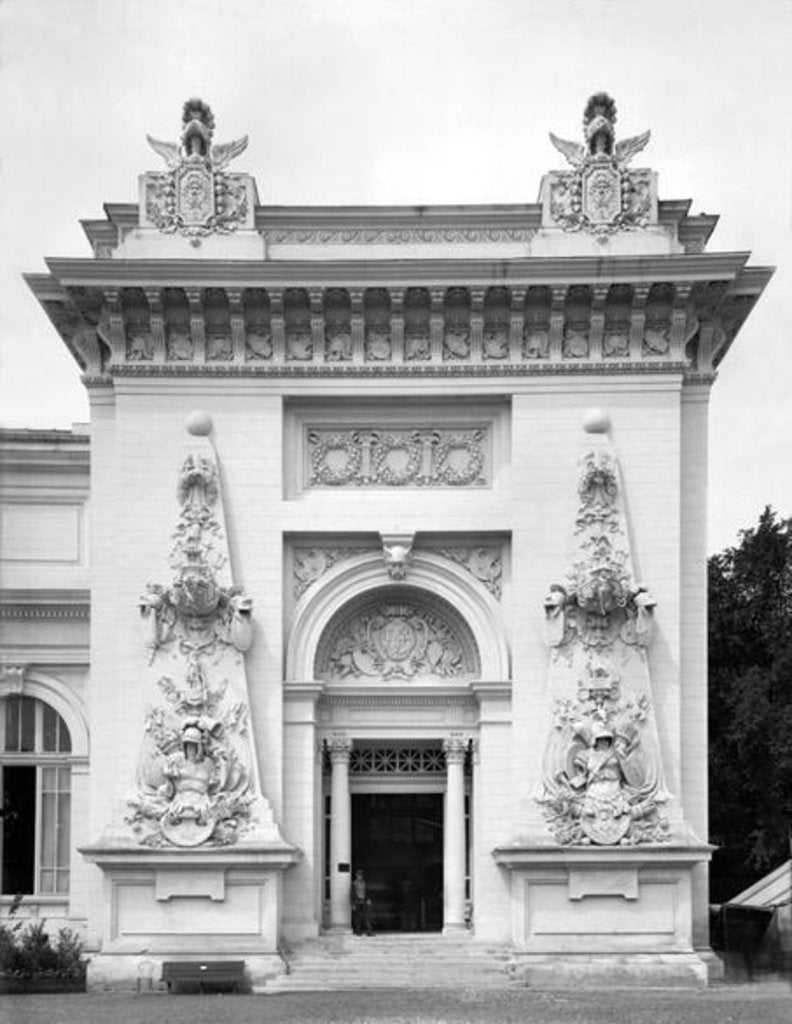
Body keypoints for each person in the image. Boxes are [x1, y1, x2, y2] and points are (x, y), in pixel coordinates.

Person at [351, 868, 374, 936]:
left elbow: (367, 891)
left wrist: (368, 899)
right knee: (358, 917)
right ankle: (358, 931)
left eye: (361, 875)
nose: (360, 876)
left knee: (367, 917)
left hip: (364, 901)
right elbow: (352, 894)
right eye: (358, 875)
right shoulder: (354, 883)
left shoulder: (364, 883)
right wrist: (353, 904)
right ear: (356, 875)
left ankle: (369, 931)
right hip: (357, 901)